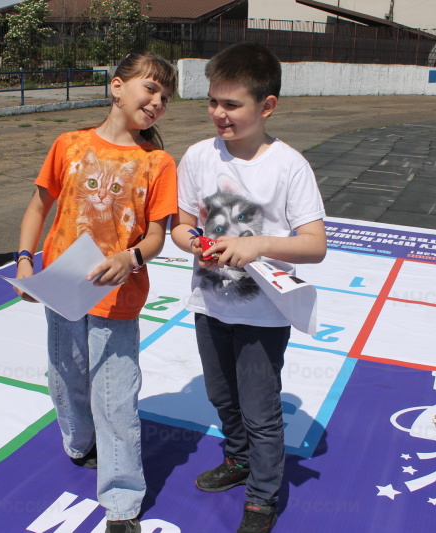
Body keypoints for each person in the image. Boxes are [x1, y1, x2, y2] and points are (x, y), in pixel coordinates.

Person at [14, 52, 178, 533]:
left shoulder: (158, 162)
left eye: (165, 98)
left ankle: (123, 501)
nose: (157, 102)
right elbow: (37, 207)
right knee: (66, 376)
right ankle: (79, 442)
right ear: (116, 86)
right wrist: (25, 260)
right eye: (150, 89)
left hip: (118, 296)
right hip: (62, 285)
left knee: (117, 398)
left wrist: (132, 259)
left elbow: (155, 236)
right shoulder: (68, 145)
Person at [170, 42, 327, 533]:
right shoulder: (197, 156)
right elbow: (180, 225)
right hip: (210, 304)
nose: (220, 114)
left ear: (267, 106)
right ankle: (238, 460)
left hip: (263, 316)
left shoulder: (289, 165)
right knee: (221, 396)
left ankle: (262, 498)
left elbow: (315, 245)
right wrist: (193, 243)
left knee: (261, 411)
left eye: (232, 104)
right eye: (213, 102)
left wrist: (259, 244)